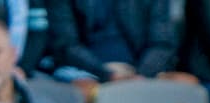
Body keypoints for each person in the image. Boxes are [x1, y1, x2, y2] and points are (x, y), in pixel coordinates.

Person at [47, 0, 179, 84]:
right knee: (80, 89)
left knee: (188, 88)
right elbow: (66, 45)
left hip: (139, 71)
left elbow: (162, 44)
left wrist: (141, 75)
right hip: (85, 71)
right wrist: (107, 74)